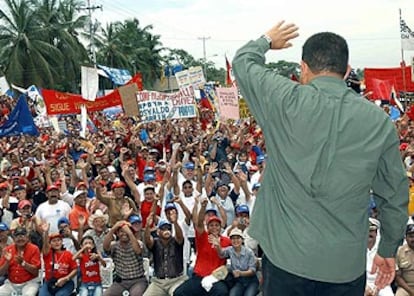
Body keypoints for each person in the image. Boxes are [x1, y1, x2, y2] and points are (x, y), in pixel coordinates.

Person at [232, 21, 408, 295]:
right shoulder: (378, 121)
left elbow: (243, 62)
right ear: (347, 71)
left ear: (303, 68)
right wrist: (388, 249)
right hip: (344, 268)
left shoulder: (284, 100)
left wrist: (267, 40)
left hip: (285, 261)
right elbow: (394, 195)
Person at [174, 197, 231, 296]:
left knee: (222, 292)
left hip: (216, 278)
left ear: (220, 227)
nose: (214, 227)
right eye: (211, 225)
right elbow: (199, 223)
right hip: (199, 276)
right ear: (207, 227)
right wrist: (203, 206)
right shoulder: (203, 237)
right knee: (178, 293)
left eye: (217, 225)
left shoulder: (226, 241)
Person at [143, 209, 188, 296]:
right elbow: (147, 240)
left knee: (178, 294)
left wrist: (175, 223)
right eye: (163, 228)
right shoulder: (155, 242)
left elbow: (180, 236)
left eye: (168, 228)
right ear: (158, 232)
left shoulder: (176, 241)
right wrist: (147, 226)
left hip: (176, 280)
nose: (166, 230)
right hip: (158, 282)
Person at [103, 220, 148, 295]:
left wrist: (129, 232)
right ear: (117, 233)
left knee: (135, 294)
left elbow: (138, 251)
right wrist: (114, 228)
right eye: (121, 231)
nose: (124, 233)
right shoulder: (114, 245)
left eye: (126, 231)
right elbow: (105, 247)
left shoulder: (138, 243)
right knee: (106, 294)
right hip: (121, 282)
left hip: (138, 280)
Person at [211, 228, 259, 296]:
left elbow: (252, 271)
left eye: (238, 238)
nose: (235, 240)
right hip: (239, 282)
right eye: (233, 238)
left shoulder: (249, 252)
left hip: (251, 281)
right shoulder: (230, 250)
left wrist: (240, 273)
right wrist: (218, 246)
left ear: (242, 239)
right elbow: (221, 254)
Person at [39, 223, 78, 296]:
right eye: (54, 241)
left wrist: (66, 278)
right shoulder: (48, 253)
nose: (57, 243)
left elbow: (75, 269)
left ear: (62, 241)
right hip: (49, 282)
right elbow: (45, 247)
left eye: (58, 240)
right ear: (50, 243)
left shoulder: (68, 254)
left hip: (66, 282)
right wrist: (46, 232)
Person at [0, 227, 41, 296]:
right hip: (11, 284)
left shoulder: (34, 248)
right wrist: (7, 262)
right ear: (13, 238)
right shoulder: (8, 249)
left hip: (29, 283)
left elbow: (35, 272)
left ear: (27, 237)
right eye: (17, 236)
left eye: (22, 236)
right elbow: (0, 273)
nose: (20, 239)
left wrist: (23, 263)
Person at [365, 218, 394, 296]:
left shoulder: (383, 248)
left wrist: (378, 287)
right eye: (367, 231)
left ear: (376, 233)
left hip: (381, 283)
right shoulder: (356, 248)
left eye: (371, 231)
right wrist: (366, 288)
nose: (369, 234)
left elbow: (389, 272)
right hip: (362, 283)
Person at [395, 223, 414, 296]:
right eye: (411, 236)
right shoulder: (399, 251)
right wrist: (411, 291)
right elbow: (397, 277)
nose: (413, 239)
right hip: (405, 287)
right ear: (405, 238)